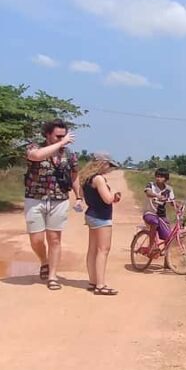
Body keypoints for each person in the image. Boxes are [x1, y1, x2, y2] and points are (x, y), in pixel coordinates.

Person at [24, 119, 81, 291]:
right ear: (47, 134)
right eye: (58, 136)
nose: (62, 139)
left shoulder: (69, 154)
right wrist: (61, 144)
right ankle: (44, 261)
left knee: (55, 239)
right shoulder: (34, 147)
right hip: (35, 198)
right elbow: (36, 157)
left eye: (64, 136)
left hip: (59, 199)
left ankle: (52, 275)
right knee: (36, 239)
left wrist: (78, 196)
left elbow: (74, 174)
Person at [80, 154, 122, 295]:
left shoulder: (86, 178)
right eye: (108, 165)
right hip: (101, 217)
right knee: (103, 250)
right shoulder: (99, 179)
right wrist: (114, 194)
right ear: (102, 164)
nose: (109, 168)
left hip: (91, 214)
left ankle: (93, 281)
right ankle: (100, 285)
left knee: (92, 249)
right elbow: (107, 199)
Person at [143, 168, 175, 247]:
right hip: (149, 213)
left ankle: (167, 256)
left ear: (166, 178)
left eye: (161, 177)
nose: (158, 178)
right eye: (157, 176)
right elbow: (148, 193)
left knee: (168, 236)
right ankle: (151, 246)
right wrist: (157, 196)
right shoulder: (151, 185)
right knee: (154, 222)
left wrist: (179, 206)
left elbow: (172, 202)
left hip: (161, 215)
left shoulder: (169, 190)